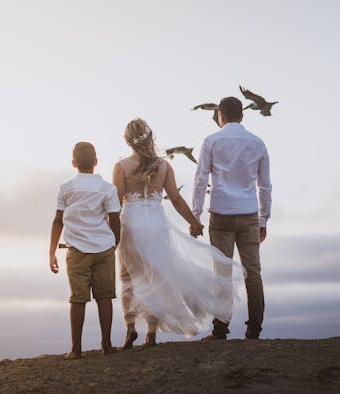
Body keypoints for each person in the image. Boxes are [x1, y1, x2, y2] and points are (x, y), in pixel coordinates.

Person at [113, 118, 243, 348]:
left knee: (127, 277)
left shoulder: (121, 166)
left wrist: (106, 231)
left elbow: (116, 201)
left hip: (131, 223)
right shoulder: (163, 166)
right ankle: (150, 334)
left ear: (127, 140)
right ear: (150, 137)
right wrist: (194, 222)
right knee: (156, 276)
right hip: (156, 223)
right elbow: (175, 198)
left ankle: (130, 329)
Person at [192, 96, 272, 340]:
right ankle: (255, 329)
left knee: (222, 272)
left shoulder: (211, 141)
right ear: (243, 115)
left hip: (222, 214)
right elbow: (265, 186)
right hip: (248, 215)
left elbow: (200, 180)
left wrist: (195, 215)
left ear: (221, 115)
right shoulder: (258, 143)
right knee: (253, 272)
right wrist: (263, 220)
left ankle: (220, 329)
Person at [49, 142, 121, 359]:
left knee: (78, 299)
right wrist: (114, 243)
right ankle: (107, 345)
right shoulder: (108, 188)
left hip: (77, 250)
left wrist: (51, 251)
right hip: (104, 249)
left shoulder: (66, 189)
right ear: (96, 162)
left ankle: (76, 349)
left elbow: (58, 221)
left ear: (73, 163)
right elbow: (115, 219)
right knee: (105, 297)